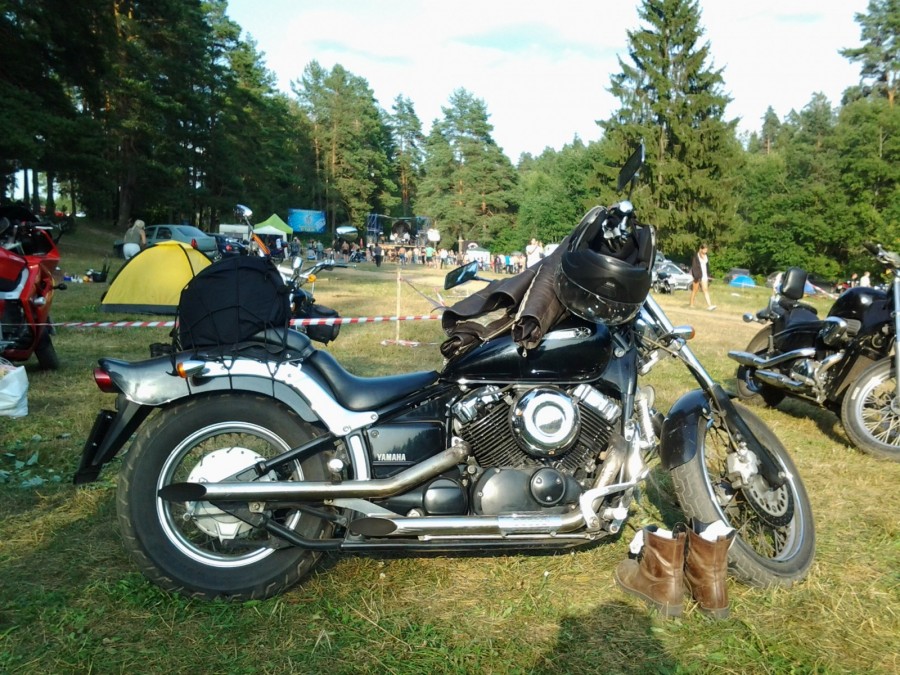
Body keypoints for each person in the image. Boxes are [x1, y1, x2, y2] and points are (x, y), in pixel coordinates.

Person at [690, 244, 716, 310]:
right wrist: (696, 276)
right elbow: (694, 267)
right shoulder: (696, 256)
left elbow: (707, 266)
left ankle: (710, 305)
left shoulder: (706, 256)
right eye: (704, 249)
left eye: (706, 249)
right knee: (695, 290)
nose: (706, 250)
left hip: (704, 275)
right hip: (698, 275)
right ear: (701, 249)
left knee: (705, 290)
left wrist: (708, 274)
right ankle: (691, 304)